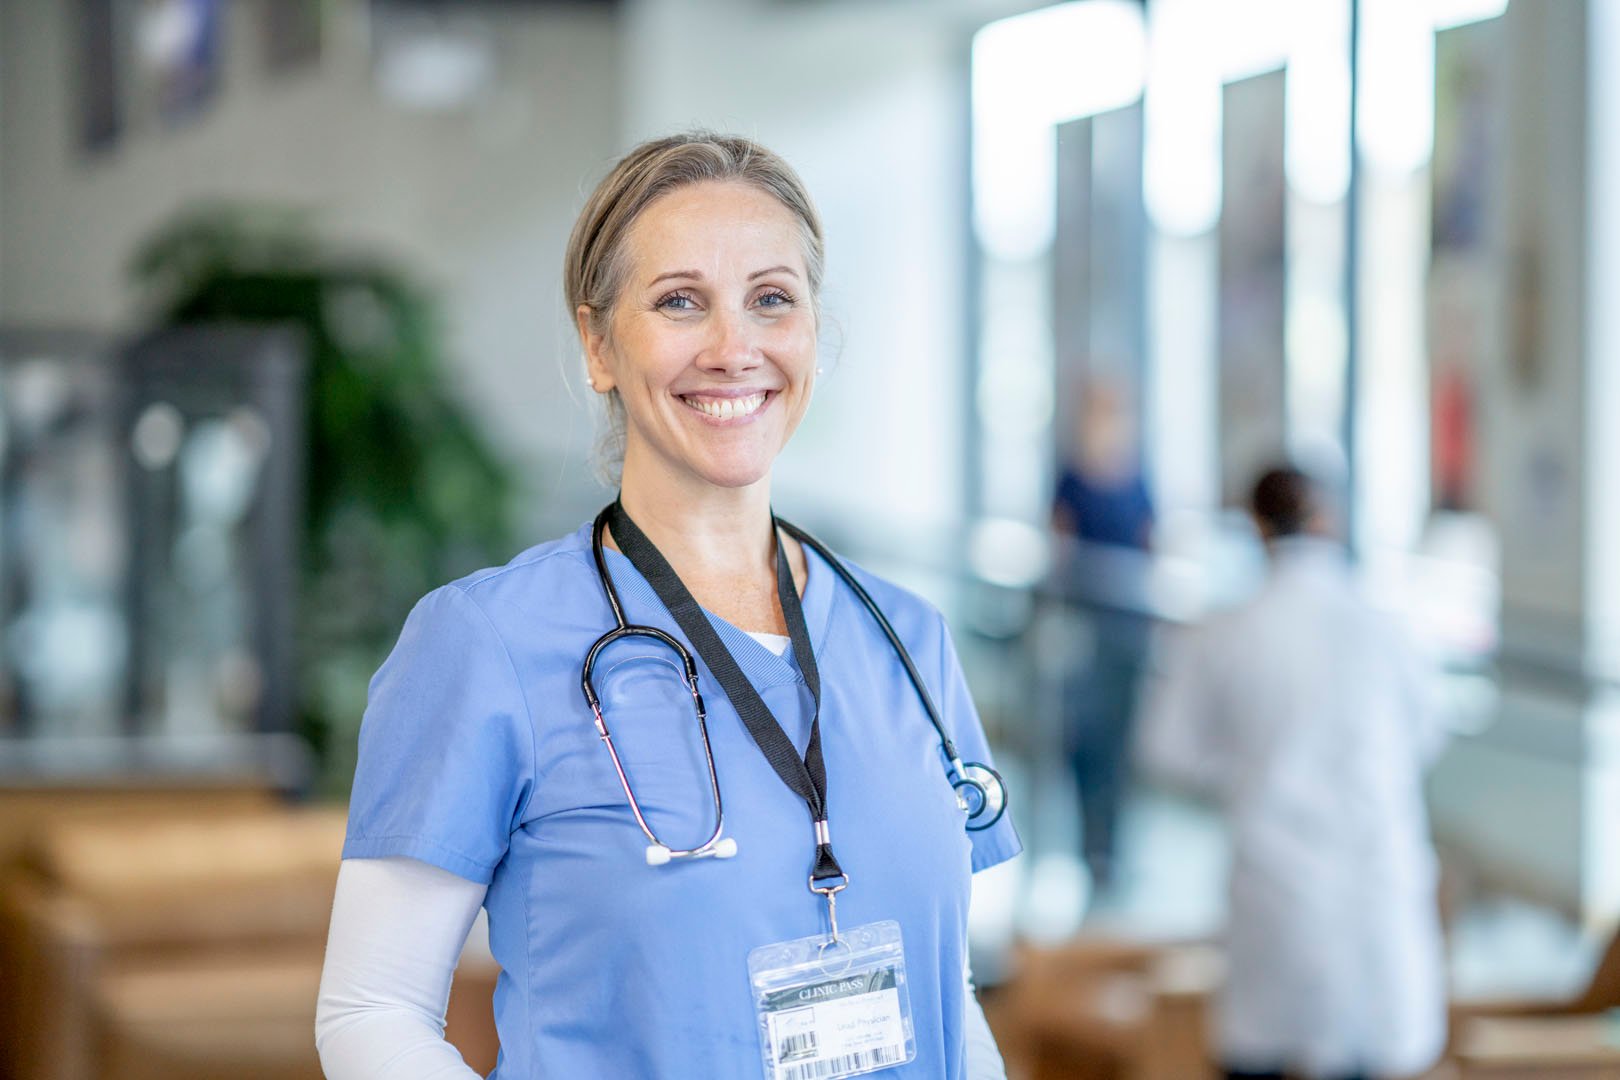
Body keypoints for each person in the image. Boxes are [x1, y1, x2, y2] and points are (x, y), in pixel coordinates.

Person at [315, 132, 1022, 1079]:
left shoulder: (907, 637)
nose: (735, 348)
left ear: (814, 332)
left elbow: (949, 993)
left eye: (772, 299)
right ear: (599, 344)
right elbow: (372, 1012)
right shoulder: (487, 644)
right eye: (681, 302)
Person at [1137, 466, 1448, 1080]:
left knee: (1264, 1050)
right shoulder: (1385, 625)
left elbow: (1166, 750)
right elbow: (1427, 734)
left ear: (1254, 525)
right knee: (1376, 1047)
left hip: (1276, 881)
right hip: (1375, 874)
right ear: (1327, 520)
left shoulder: (1226, 630)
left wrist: (1248, 767)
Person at [1049, 377, 1154, 890]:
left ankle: (1112, 850)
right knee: (1084, 743)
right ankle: (1089, 847)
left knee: (1119, 745)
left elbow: (1152, 544)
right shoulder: (1073, 477)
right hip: (1086, 633)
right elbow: (1060, 547)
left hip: (1127, 637)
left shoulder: (1136, 475)